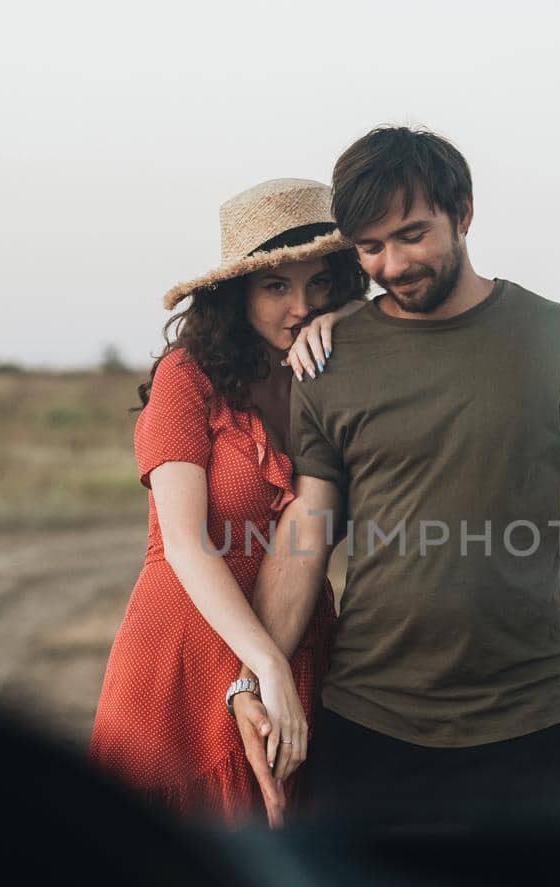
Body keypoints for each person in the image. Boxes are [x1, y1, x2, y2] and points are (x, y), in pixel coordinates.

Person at [231, 127, 560, 828]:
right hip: (368, 721)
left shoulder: (556, 338)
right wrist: (254, 678)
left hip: (525, 723)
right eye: (371, 247)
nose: (392, 263)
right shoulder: (330, 360)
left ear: (463, 212)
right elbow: (306, 532)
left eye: (412, 235)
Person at [87, 178, 367, 827]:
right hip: (186, 650)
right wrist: (262, 664)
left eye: (320, 283)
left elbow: (423, 326)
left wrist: (348, 322)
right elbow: (185, 541)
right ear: (237, 290)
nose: (300, 306)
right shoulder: (187, 377)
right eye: (277, 286)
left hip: (298, 635)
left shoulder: (339, 374)